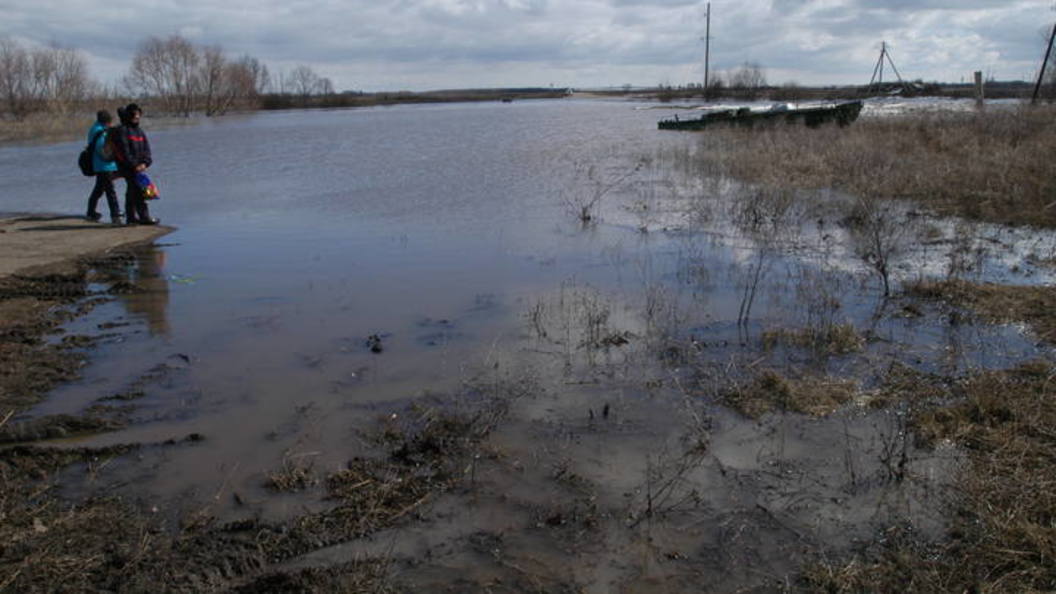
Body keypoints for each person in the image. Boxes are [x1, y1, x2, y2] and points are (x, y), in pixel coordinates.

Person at [111, 103, 159, 225]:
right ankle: (144, 217)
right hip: (128, 167)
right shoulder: (123, 131)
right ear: (129, 116)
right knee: (137, 191)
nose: (137, 118)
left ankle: (131, 217)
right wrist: (134, 165)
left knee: (131, 190)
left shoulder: (139, 131)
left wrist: (145, 163)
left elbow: (146, 150)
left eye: (138, 116)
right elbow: (124, 152)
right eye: (135, 116)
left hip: (140, 167)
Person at [84, 110, 121, 224]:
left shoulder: (95, 129)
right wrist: (112, 158)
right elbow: (102, 150)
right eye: (110, 122)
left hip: (101, 165)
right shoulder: (100, 131)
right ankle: (115, 215)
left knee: (99, 189)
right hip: (104, 165)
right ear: (107, 121)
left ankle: (91, 212)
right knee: (110, 190)